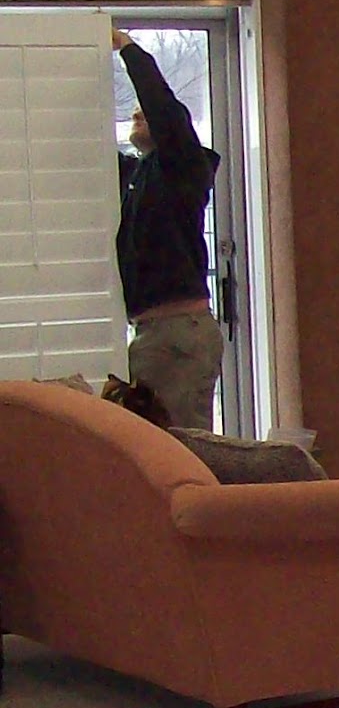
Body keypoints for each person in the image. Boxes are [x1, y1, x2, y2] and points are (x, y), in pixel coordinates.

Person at [112, 28, 222, 431]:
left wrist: (128, 50)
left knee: (180, 444)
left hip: (178, 334)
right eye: (133, 113)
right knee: (155, 444)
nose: (137, 115)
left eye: (144, 112)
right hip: (155, 334)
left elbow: (165, 112)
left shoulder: (183, 169)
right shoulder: (138, 177)